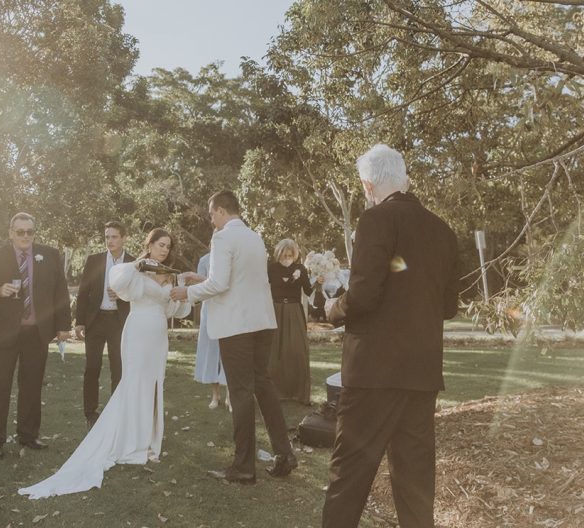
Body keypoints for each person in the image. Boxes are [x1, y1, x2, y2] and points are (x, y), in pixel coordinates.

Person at [321, 145, 459, 528]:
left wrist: (333, 310)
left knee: (349, 475)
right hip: (421, 371)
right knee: (415, 481)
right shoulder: (443, 231)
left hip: (374, 373)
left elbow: (364, 295)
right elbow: (449, 307)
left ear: (368, 185)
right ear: (405, 178)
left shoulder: (376, 220)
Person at [18, 228, 191, 499]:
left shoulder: (169, 274)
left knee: (154, 384)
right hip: (136, 329)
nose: (164, 250)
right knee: (132, 382)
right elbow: (117, 281)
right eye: (160, 244)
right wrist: (137, 264)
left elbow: (174, 309)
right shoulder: (135, 270)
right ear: (150, 244)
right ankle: (126, 440)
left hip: (158, 333)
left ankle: (146, 441)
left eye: (168, 246)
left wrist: (182, 290)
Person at [171, 191, 297, 484]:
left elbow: (220, 283)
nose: (211, 220)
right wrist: (199, 279)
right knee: (262, 385)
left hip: (237, 327)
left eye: (211, 214)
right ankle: (284, 453)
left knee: (240, 392)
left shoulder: (222, 238)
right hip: (261, 322)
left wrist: (187, 292)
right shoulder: (254, 238)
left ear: (219, 211)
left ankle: (243, 467)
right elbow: (236, 282)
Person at [0, 213, 72, 459]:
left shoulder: (50, 255)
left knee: (32, 386)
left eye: (30, 232)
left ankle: (28, 435)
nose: (25, 237)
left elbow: (60, 291)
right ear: (10, 233)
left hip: (37, 332)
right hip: (3, 332)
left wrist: (64, 325)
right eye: (20, 232)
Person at [74, 221, 134, 429]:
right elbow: (83, 293)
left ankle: (117, 412)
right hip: (96, 320)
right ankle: (90, 414)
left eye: (114, 237)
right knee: (92, 368)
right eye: (107, 237)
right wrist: (80, 321)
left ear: (124, 237)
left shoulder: (133, 263)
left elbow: (138, 294)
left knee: (119, 368)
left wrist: (122, 296)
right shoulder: (94, 260)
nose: (110, 241)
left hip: (120, 322)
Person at [267, 239, 314, 405]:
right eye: (284, 255)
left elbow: (308, 290)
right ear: (278, 254)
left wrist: (318, 281)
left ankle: (298, 393)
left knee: (297, 351)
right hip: (275, 310)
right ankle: (276, 393)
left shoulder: (300, 268)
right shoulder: (271, 268)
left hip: (294, 311)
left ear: (294, 255)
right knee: (275, 351)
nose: (287, 258)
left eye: (290, 255)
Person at [193, 252, 229, 410]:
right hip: (210, 310)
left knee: (229, 353)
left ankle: (230, 395)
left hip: (228, 310)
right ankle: (215, 395)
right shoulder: (204, 260)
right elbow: (199, 288)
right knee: (211, 352)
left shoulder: (230, 257)